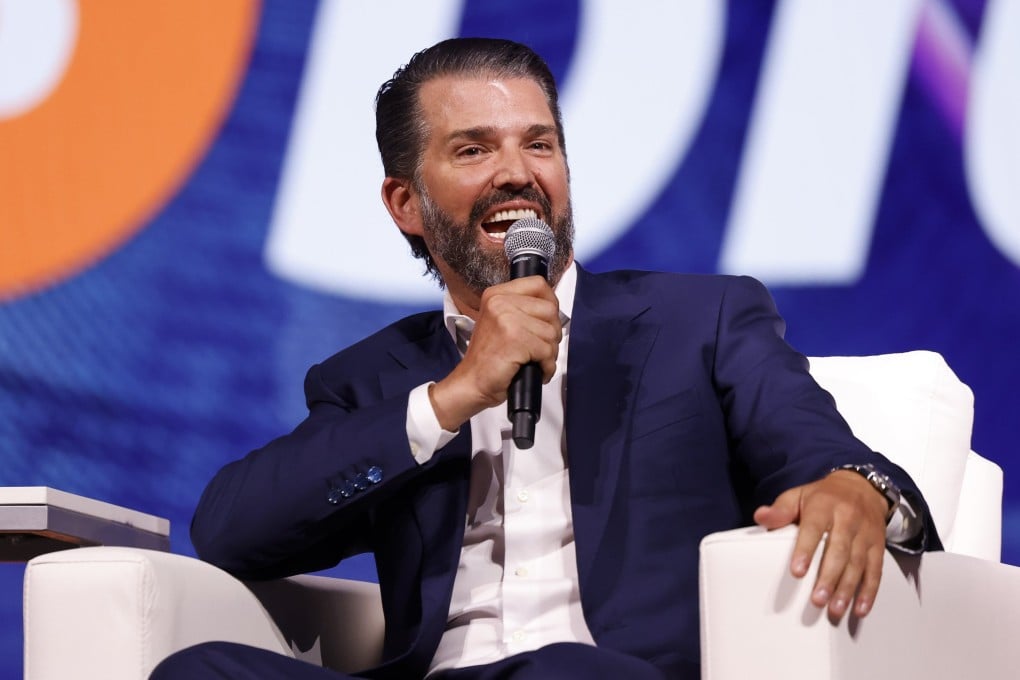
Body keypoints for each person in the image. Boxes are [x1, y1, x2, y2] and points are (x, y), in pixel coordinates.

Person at [153, 38, 939, 680]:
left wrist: (857, 489)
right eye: (473, 149)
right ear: (405, 204)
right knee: (199, 671)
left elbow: (828, 457)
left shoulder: (699, 321)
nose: (517, 173)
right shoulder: (372, 378)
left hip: (603, 672)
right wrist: (452, 397)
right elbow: (229, 532)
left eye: (539, 144)